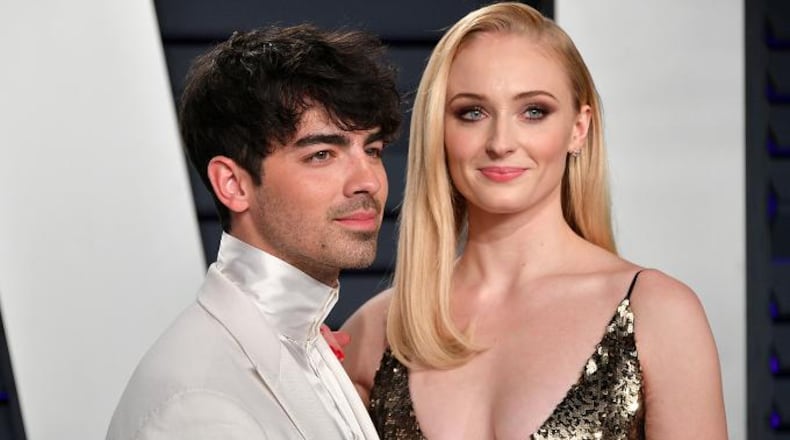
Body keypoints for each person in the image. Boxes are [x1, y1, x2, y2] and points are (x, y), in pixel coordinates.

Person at [341, 3, 728, 439]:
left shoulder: (659, 313)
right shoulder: (379, 330)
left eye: (534, 112)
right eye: (472, 112)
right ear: (438, 129)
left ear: (578, 128)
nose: (501, 142)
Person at [107, 24, 400, 440]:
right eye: (322, 154)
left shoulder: (303, 345)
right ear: (233, 184)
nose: (368, 180)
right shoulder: (201, 405)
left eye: (371, 150)